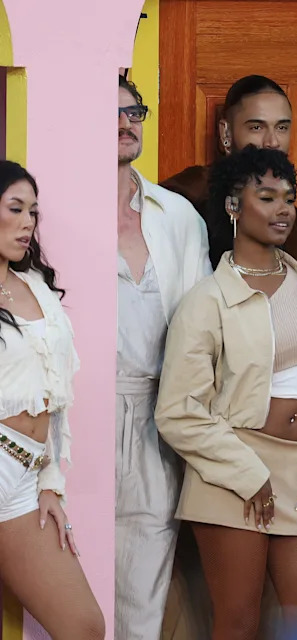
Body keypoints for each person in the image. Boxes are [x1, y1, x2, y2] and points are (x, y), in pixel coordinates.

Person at [155, 146, 297, 640]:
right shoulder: (205, 301)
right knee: (237, 626)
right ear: (233, 205)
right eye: (266, 197)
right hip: (232, 474)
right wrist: (248, 473)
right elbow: (179, 412)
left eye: (289, 198)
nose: (283, 209)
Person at [115, 74, 212, 640]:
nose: (125, 121)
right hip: (78, 413)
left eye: (134, 111)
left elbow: (198, 325)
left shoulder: (176, 215)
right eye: (111, 111)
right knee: (71, 564)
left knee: (145, 581)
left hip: (160, 413)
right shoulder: (48, 207)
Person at [0, 161, 105, 639]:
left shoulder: (36, 288)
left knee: (83, 626)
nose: (27, 223)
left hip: (25, 479)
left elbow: (57, 398)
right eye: (15, 209)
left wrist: (50, 482)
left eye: (33, 213)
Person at [162, 75, 297, 272]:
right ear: (226, 133)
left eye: (281, 127)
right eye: (256, 127)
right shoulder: (186, 196)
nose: (272, 142)